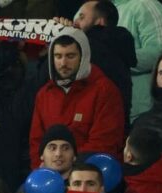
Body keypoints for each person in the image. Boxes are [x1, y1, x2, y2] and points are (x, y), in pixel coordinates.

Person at [28, 27, 126, 166]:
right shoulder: (44, 94)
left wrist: (66, 166)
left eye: (70, 56)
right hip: (51, 175)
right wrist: (42, 171)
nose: (63, 63)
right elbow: (36, 142)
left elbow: (104, 143)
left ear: (83, 56)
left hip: (90, 175)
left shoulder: (104, 90)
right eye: (58, 56)